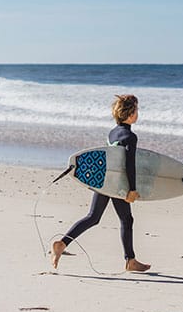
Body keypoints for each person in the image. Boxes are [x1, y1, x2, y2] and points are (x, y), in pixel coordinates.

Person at [51, 94, 151, 272]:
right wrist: (132, 190)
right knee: (126, 219)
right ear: (129, 114)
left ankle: (62, 243)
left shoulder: (113, 132)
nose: (138, 113)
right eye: (136, 109)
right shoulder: (130, 136)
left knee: (93, 217)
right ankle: (130, 260)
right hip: (117, 185)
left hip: (104, 181)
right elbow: (129, 165)